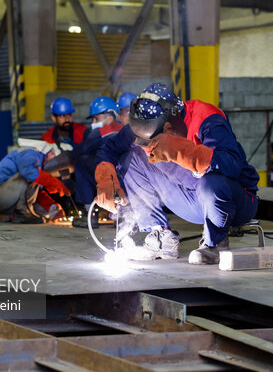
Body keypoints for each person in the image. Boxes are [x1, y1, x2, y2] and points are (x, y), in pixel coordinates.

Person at [94, 83, 259, 264]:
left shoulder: (207, 118)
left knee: (211, 182)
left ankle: (215, 243)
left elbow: (231, 165)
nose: (148, 146)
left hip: (234, 201)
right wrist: (105, 177)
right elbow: (109, 149)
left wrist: (181, 150)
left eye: (152, 140)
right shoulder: (144, 124)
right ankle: (160, 236)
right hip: (191, 199)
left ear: (168, 127)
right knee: (131, 157)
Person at [0, 143, 70, 224]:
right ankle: (22, 214)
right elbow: (28, 172)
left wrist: (52, 207)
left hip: (8, 200)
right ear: (51, 153)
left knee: (44, 215)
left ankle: (0, 215)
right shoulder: (30, 153)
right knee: (31, 175)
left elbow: (33, 194)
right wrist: (51, 181)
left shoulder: (40, 167)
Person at [72, 96, 123, 228]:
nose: (94, 122)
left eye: (96, 118)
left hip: (114, 175)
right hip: (127, 176)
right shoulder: (123, 129)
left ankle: (89, 213)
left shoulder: (104, 130)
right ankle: (123, 214)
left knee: (81, 161)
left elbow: (80, 150)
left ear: (110, 116)